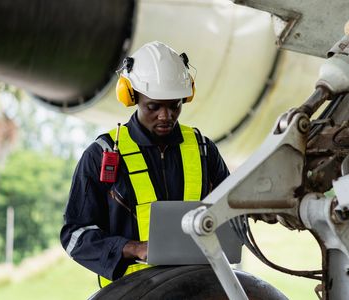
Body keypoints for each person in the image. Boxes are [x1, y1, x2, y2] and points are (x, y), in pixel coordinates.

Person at [60, 41, 230, 287]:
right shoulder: (102, 155)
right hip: (132, 292)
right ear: (131, 96)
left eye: (175, 105)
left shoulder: (204, 150)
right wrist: (133, 248)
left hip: (198, 287)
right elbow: (74, 235)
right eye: (154, 106)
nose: (165, 116)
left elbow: (232, 213)